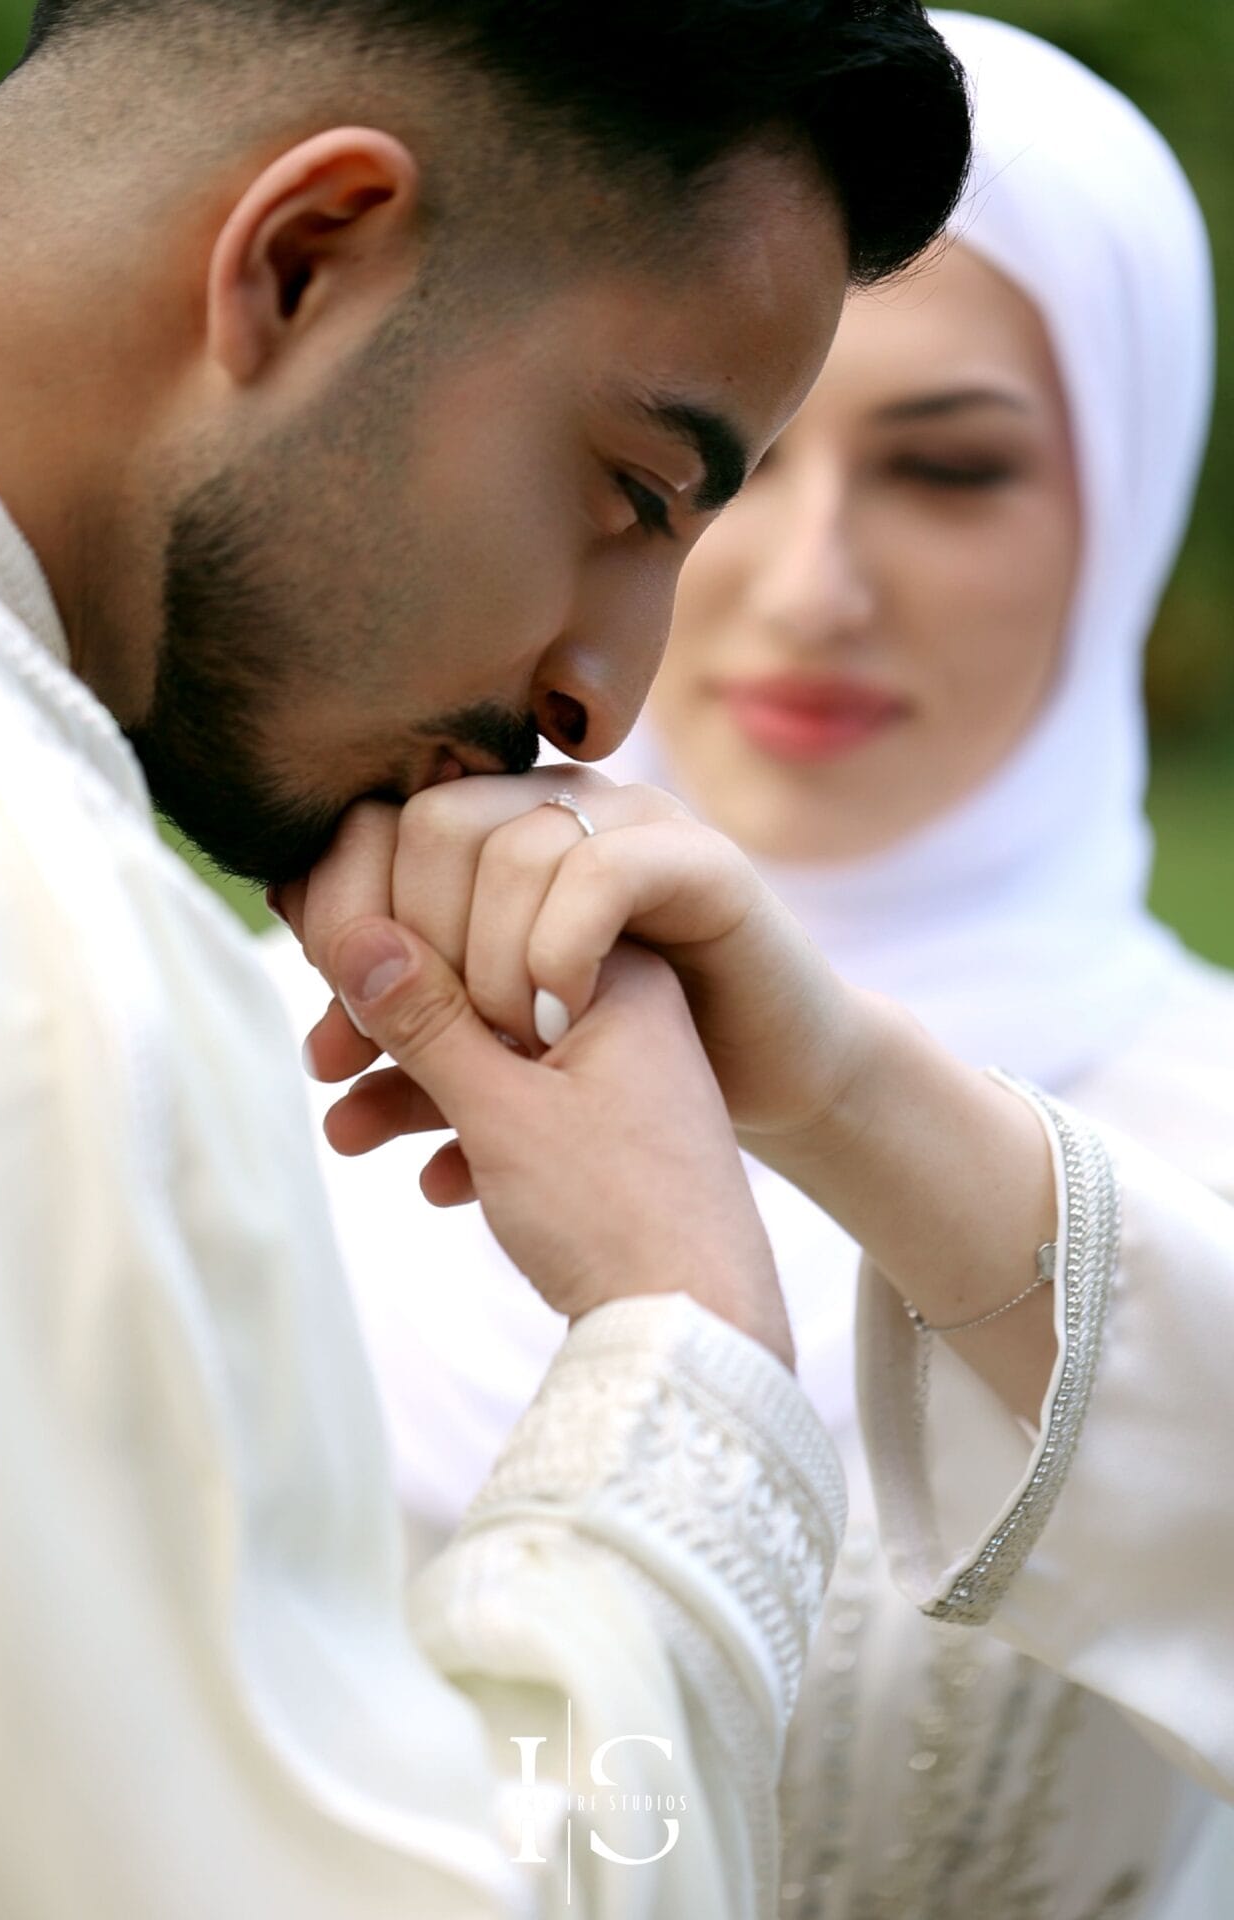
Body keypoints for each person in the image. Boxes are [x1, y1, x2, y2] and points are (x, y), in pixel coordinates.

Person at [0, 2, 975, 1915]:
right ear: (303, 260)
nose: (606, 700)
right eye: (637, 493)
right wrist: (684, 1336)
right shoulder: (41, 972)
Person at [267, 15, 1234, 1916]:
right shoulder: (249, 1039)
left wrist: (851, 1097)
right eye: (716, 472)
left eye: (948, 473)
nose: (810, 588)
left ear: (1126, 493)